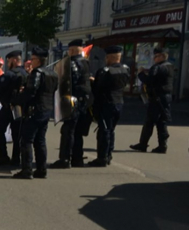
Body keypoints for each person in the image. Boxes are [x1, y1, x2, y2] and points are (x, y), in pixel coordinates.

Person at [12, 47, 58, 179]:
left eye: (32, 59)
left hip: (35, 110)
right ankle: (41, 169)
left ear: (38, 60)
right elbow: (54, 89)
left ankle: (27, 170)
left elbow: (31, 92)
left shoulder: (36, 73)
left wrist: (16, 100)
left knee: (26, 140)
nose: (31, 61)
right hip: (46, 110)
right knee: (40, 140)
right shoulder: (53, 73)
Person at [52, 39, 93, 169]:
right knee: (78, 132)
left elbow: (70, 82)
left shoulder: (72, 63)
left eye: (69, 50)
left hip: (73, 100)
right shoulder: (86, 63)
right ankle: (77, 158)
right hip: (84, 101)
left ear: (72, 50)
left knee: (68, 130)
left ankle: (64, 159)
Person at [88, 46, 130, 167]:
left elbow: (97, 89)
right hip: (119, 102)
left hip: (106, 103)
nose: (105, 59)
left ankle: (102, 158)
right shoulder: (125, 69)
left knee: (104, 131)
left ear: (110, 57)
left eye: (107, 57)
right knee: (111, 130)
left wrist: (93, 81)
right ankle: (109, 155)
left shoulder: (104, 71)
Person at [130, 47, 173, 154]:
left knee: (149, 121)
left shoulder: (157, 67)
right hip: (166, 97)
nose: (154, 58)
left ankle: (143, 144)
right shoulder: (169, 66)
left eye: (156, 56)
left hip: (156, 97)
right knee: (162, 122)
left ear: (162, 56)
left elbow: (149, 81)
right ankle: (162, 146)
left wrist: (140, 73)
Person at [0, 50, 28, 166]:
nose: (8, 63)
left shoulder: (9, 74)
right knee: (17, 134)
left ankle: (3, 156)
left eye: (9, 61)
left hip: (8, 108)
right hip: (21, 107)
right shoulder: (26, 73)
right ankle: (16, 158)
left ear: (15, 60)